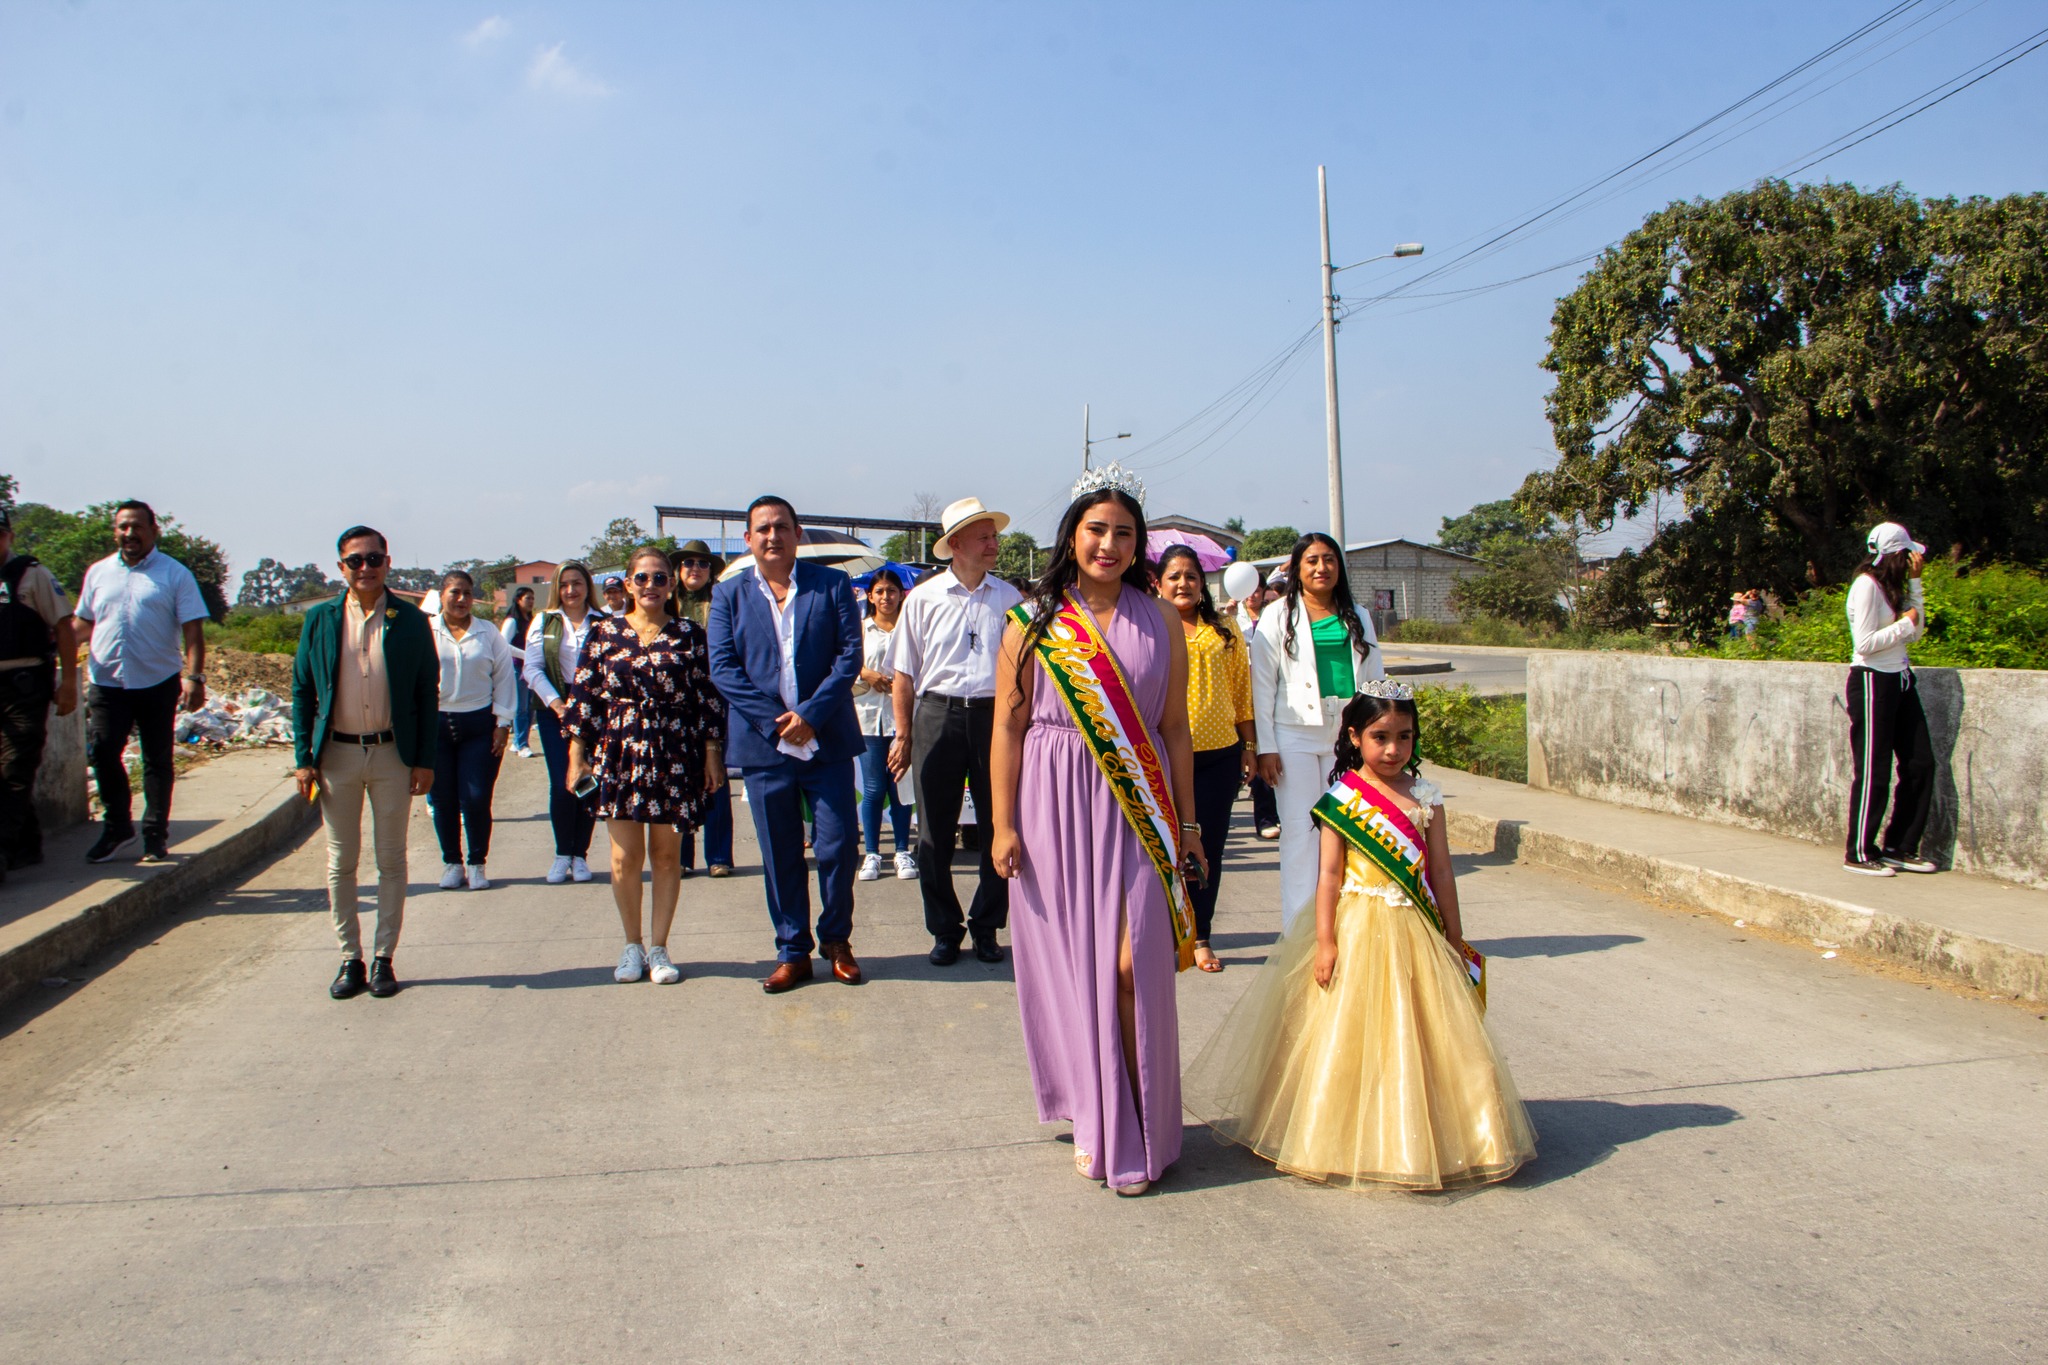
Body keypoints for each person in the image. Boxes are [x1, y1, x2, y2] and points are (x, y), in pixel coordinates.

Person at [1185, 683, 1536, 1190]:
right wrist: (1326, 942)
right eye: (1380, 737)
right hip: (1355, 926)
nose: (1393, 749)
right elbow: (1328, 877)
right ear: (1354, 736)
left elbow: (1441, 871)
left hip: (1415, 927)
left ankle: (1433, 1137)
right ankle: (1339, 1138)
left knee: (1422, 1036)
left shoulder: (1426, 796)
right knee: (1344, 1038)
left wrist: (1454, 938)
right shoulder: (1344, 799)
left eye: (1404, 737)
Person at [989, 467, 1206, 1197]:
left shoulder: (1163, 619)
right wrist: (1003, 823)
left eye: (1123, 533)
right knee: (1075, 966)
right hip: (1053, 806)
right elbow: (1009, 727)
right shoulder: (1031, 620)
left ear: (1138, 544)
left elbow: (1175, 729)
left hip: (1139, 807)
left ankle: (1140, 1119)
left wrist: (1188, 823)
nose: (1108, 544)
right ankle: (1097, 1114)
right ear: (1072, 536)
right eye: (1096, 530)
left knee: (1130, 965)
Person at [707, 496, 865, 993]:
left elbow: (849, 656)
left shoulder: (831, 585)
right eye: (762, 529)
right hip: (765, 746)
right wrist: (777, 724)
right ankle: (792, 950)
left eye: (781, 527)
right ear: (748, 539)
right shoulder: (728, 595)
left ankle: (836, 940)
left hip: (826, 740)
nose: (772, 536)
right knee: (779, 853)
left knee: (840, 845)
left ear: (798, 534)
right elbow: (723, 668)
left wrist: (810, 716)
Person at [566, 546, 726, 985]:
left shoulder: (690, 634)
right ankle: (631, 945)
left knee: (667, 856)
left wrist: (713, 753)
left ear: (671, 584)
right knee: (624, 858)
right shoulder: (604, 633)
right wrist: (576, 756)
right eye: (642, 578)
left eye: (659, 578)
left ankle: (659, 947)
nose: (651, 585)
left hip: (674, 752)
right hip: (620, 751)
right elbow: (584, 696)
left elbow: (708, 697)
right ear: (628, 584)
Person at [291, 526, 439, 1000]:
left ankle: (383, 958)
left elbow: (426, 693)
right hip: (336, 755)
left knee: (391, 858)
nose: (366, 568)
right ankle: (349, 958)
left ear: (387, 563)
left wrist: (424, 760)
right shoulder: (321, 619)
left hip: (392, 754)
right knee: (342, 861)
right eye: (355, 560)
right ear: (341, 567)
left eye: (374, 558)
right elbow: (302, 690)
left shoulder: (410, 620)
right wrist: (303, 759)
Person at [884, 496, 1024, 965]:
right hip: (937, 715)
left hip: (994, 718)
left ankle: (987, 926)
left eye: (994, 536)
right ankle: (944, 929)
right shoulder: (923, 598)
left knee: (998, 823)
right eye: (984, 537)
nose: (994, 544)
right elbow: (904, 674)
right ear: (956, 544)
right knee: (934, 833)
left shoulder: (1010, 598)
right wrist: (903, 734)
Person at [1251, 532, 1386, 932]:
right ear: (1297, 568)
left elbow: (1375, 678)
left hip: (1347, 734)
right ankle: (1299, 931)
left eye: (1329, 559)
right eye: (1311, 560)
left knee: (1345, 830)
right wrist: (1265, 747)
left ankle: (1342, 928)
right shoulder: (1277, 615)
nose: (1321, 568)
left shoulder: (1359, 615)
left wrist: (1376, 736)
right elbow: (1262, 685)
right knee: (1300, 832)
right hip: (1293, 735)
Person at [73, 501, 210, 864]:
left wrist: (195, 677)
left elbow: (193, 630)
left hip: (157, 681)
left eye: (137, 527)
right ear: (114, 532)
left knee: (156, 760)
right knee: (103, 752)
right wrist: (54, 643)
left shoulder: (174, 574)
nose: (129, 533)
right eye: (123, 527)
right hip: (107, 682)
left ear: (153, 530)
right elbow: (84, 623)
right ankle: (118, 827)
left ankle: (154, 834)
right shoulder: (98, 573)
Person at [1159, 545, 1255, 973]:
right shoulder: (1149, 627)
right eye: (1174, 576)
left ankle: (1200, 936)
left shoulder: (1226, 629)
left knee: (1207, 847)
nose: (1183, 584)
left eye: (1191, 576)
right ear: (1158, 583)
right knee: (1161, 847)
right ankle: (1161, 932)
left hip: (1219, 756)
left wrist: (1249, 747)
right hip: (1162, 755)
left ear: (1203, 584)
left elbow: (1242, 690)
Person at [1843, 522, 1936, 878]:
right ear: (1896, 554)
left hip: (1900, 679)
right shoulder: (1866, 586)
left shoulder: (1893, 587)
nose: (1913, 560)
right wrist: (1905, 624)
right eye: (1908, 555)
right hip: (1872, 681)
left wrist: (1916, 585)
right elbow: (1865, 644)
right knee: (1873, 770)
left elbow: (1917, 631)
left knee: (1920, 763)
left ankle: (1900, 846)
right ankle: (1859, 852)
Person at [0, 508, 80, 876]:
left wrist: (68, 684)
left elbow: (64, 627)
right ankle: (27, 844)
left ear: (10, 537)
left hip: (25, 683)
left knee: (15, 768)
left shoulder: (33, 576)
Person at [428, 570, 517, 891]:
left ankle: (477, 863)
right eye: (455, 592)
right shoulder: (427, 631)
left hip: (479, 725)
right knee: (443, 799)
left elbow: (504, 677)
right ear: (442, 595)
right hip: (436, 725)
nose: (461, 599)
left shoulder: (487, 632)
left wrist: (503, 723)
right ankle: (452, 863)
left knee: (476, 797)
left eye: (467, 593)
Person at [525, 561, 605, 884]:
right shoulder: (544, 621)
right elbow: (532, 668)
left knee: (588, 782)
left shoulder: (603, 622)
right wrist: (557, 704)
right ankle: (562, 853)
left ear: (587, 587)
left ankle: (580, 855)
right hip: (554, 710)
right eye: (564, 584)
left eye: (577, 583)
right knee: (562, 783)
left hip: (594, 713)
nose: (571, 590)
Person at [670, 541, 735, 878]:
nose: (695, 569)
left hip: (715, 695)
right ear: (678, 570)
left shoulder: (722, 601)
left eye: (702, 563)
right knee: (679, 777)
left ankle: (719, 855)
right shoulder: (667, 602)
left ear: (711, 571)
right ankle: (680, 856)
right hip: (675, 699)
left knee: (716, 774)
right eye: (688, 563)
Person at [852, 567, 917, 881]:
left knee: (900, 785)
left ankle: (902, 850)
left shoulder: (910, 628)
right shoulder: (861, 629)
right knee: (874, 788)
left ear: (901, 594)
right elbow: (845, 664)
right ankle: (873, 853)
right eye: (879, 591)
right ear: (869, 596)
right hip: (868, 717)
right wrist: (866, 673)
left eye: (891, 591)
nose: (886, 597)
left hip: (903, 718)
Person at [504, 586, 536, 757]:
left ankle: (518, 741)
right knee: (521, 708)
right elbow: (503, 645)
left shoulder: (531, 621)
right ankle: (522, 744)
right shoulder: (512, 621)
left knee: (530, 708)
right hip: (517, 668)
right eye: (527, 598)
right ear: (518, 600)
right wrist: (525, 655)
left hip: (530, 668)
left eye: (532, 598)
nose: (531, 602)